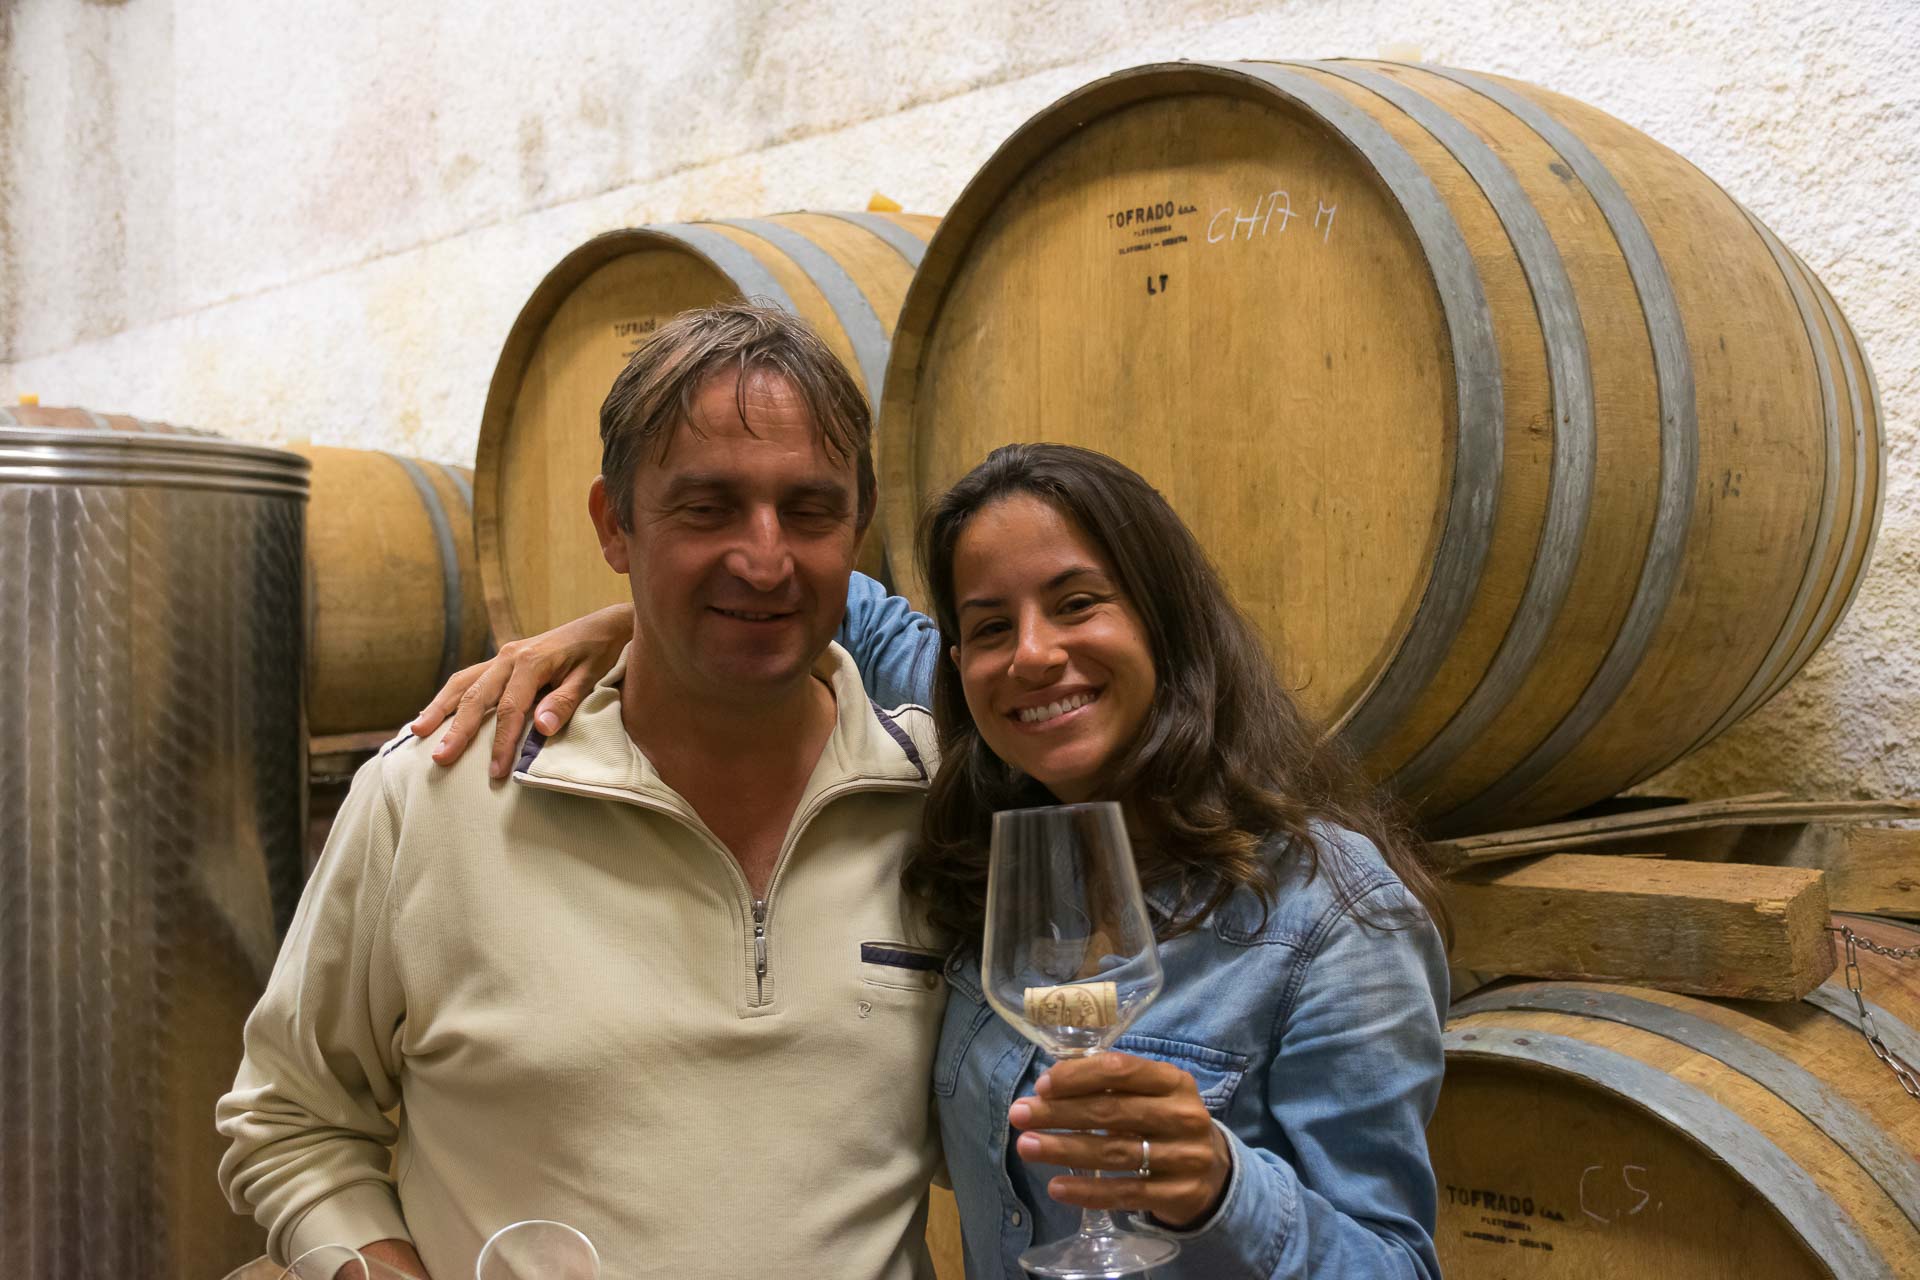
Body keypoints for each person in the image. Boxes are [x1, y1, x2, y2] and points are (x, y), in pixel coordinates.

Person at [424, 443, 1450, 1277]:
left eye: (1080, 601)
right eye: (990, 625)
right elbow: (849, 605)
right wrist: (638, 626)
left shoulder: (1333, 914)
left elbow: (1397, 1262)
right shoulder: (993, 806)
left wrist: (1227, 1187)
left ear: (1167, 622)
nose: (1036, 653)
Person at [217, 304, 949, 1280]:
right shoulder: (435, 794)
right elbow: (291, 1114)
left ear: (855, 529)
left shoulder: (939, 801)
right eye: (707, 506)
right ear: (615, 524)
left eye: (808, 510)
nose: (765, 556)